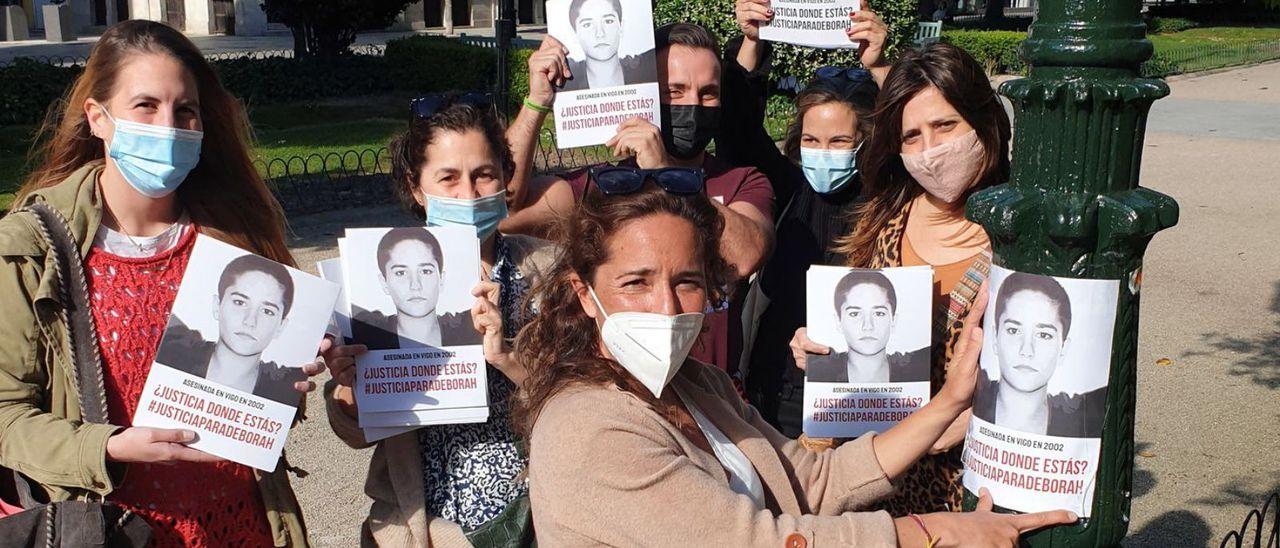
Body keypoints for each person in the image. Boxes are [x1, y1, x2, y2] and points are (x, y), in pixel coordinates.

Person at [512, 182, 1076, 546]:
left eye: (686, 282)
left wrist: (950, 400)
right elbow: (760, 541)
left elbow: (811, 480)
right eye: (635, 283)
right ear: (583, 293)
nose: (666, 306)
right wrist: (937, 531)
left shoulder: (697, 383)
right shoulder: (588, 428)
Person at [0, 20, 324, 546]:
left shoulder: (234, 235)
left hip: (243, 526)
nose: (168, 126)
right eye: (146, 106)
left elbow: (261, 411)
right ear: (98, 118)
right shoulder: (31, 249)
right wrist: (108, 447)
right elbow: (6, 417)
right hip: (116, 533)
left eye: (185, 110)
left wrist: (289, 372)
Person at [791, 43, 1014, 514]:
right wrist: (821, 350)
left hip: (974, 497)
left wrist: (979, 414)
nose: (930, 150)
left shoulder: (1022, 238)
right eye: (911, 136)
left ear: (984, 121)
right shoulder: (879, 220)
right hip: (882, 490)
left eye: (945, 126)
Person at [323, 96, 555, 545]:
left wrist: (509, 360)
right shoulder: (373, 280)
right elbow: (354, 433)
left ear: (505, 177)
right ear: (416, 187)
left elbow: (580, 403)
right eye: (447, 178)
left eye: (484, 175)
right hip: (421, 526)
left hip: (529, 520)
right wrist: (352, 387)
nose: (468, 195)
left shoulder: (550, 270)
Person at [504, 23, 775, 374]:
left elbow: (745, 255)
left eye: (708, 93)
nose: (692, 104)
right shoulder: (602, 184)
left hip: (713, 394)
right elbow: (505, 207)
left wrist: (667, 174)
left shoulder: (742, 181)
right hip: (619, 389)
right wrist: (535, 103)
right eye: (674, 92)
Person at [723, 0, 890, 424]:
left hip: (861, 396)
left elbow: (910, 136)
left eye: (838, 142)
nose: (822, 152)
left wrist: (882, 67)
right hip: (776, 390)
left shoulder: (888, 196)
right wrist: (751, 43)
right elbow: (738, 128)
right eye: (811, 140)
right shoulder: (787, 185)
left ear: (867, 142)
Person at [157, 254, 306, 405]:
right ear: (217, 306)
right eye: (239, 302)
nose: (250, 321)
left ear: (280, 326)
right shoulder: (174, 354)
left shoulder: (286, 386)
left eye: (267, 311)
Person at [972, 272, 1106, 438]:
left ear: (1063, 348)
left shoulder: (1081, 416)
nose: (1027, 350)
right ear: (994, 338)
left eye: (1044, 335)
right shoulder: (974, 397)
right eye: (1013, 331)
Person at [350, 227, 483, 350]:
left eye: (425, 271)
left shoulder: (472, 327)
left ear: (441, 278)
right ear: (384, 282)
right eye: (400, 273)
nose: (415, 285)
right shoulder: (366, 334)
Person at [807, 270, 930, 384]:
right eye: (854, 314)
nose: (868, 326)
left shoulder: (917, 368)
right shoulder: (820, 370)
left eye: (879, 313)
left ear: (893, 320)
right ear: (838, 321)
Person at [560, 0, 658, 91]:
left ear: (621, 27)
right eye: (587, 25)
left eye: (608, 21)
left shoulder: (646, 70)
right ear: (575, 33)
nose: (600, 33)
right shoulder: (563, 79)